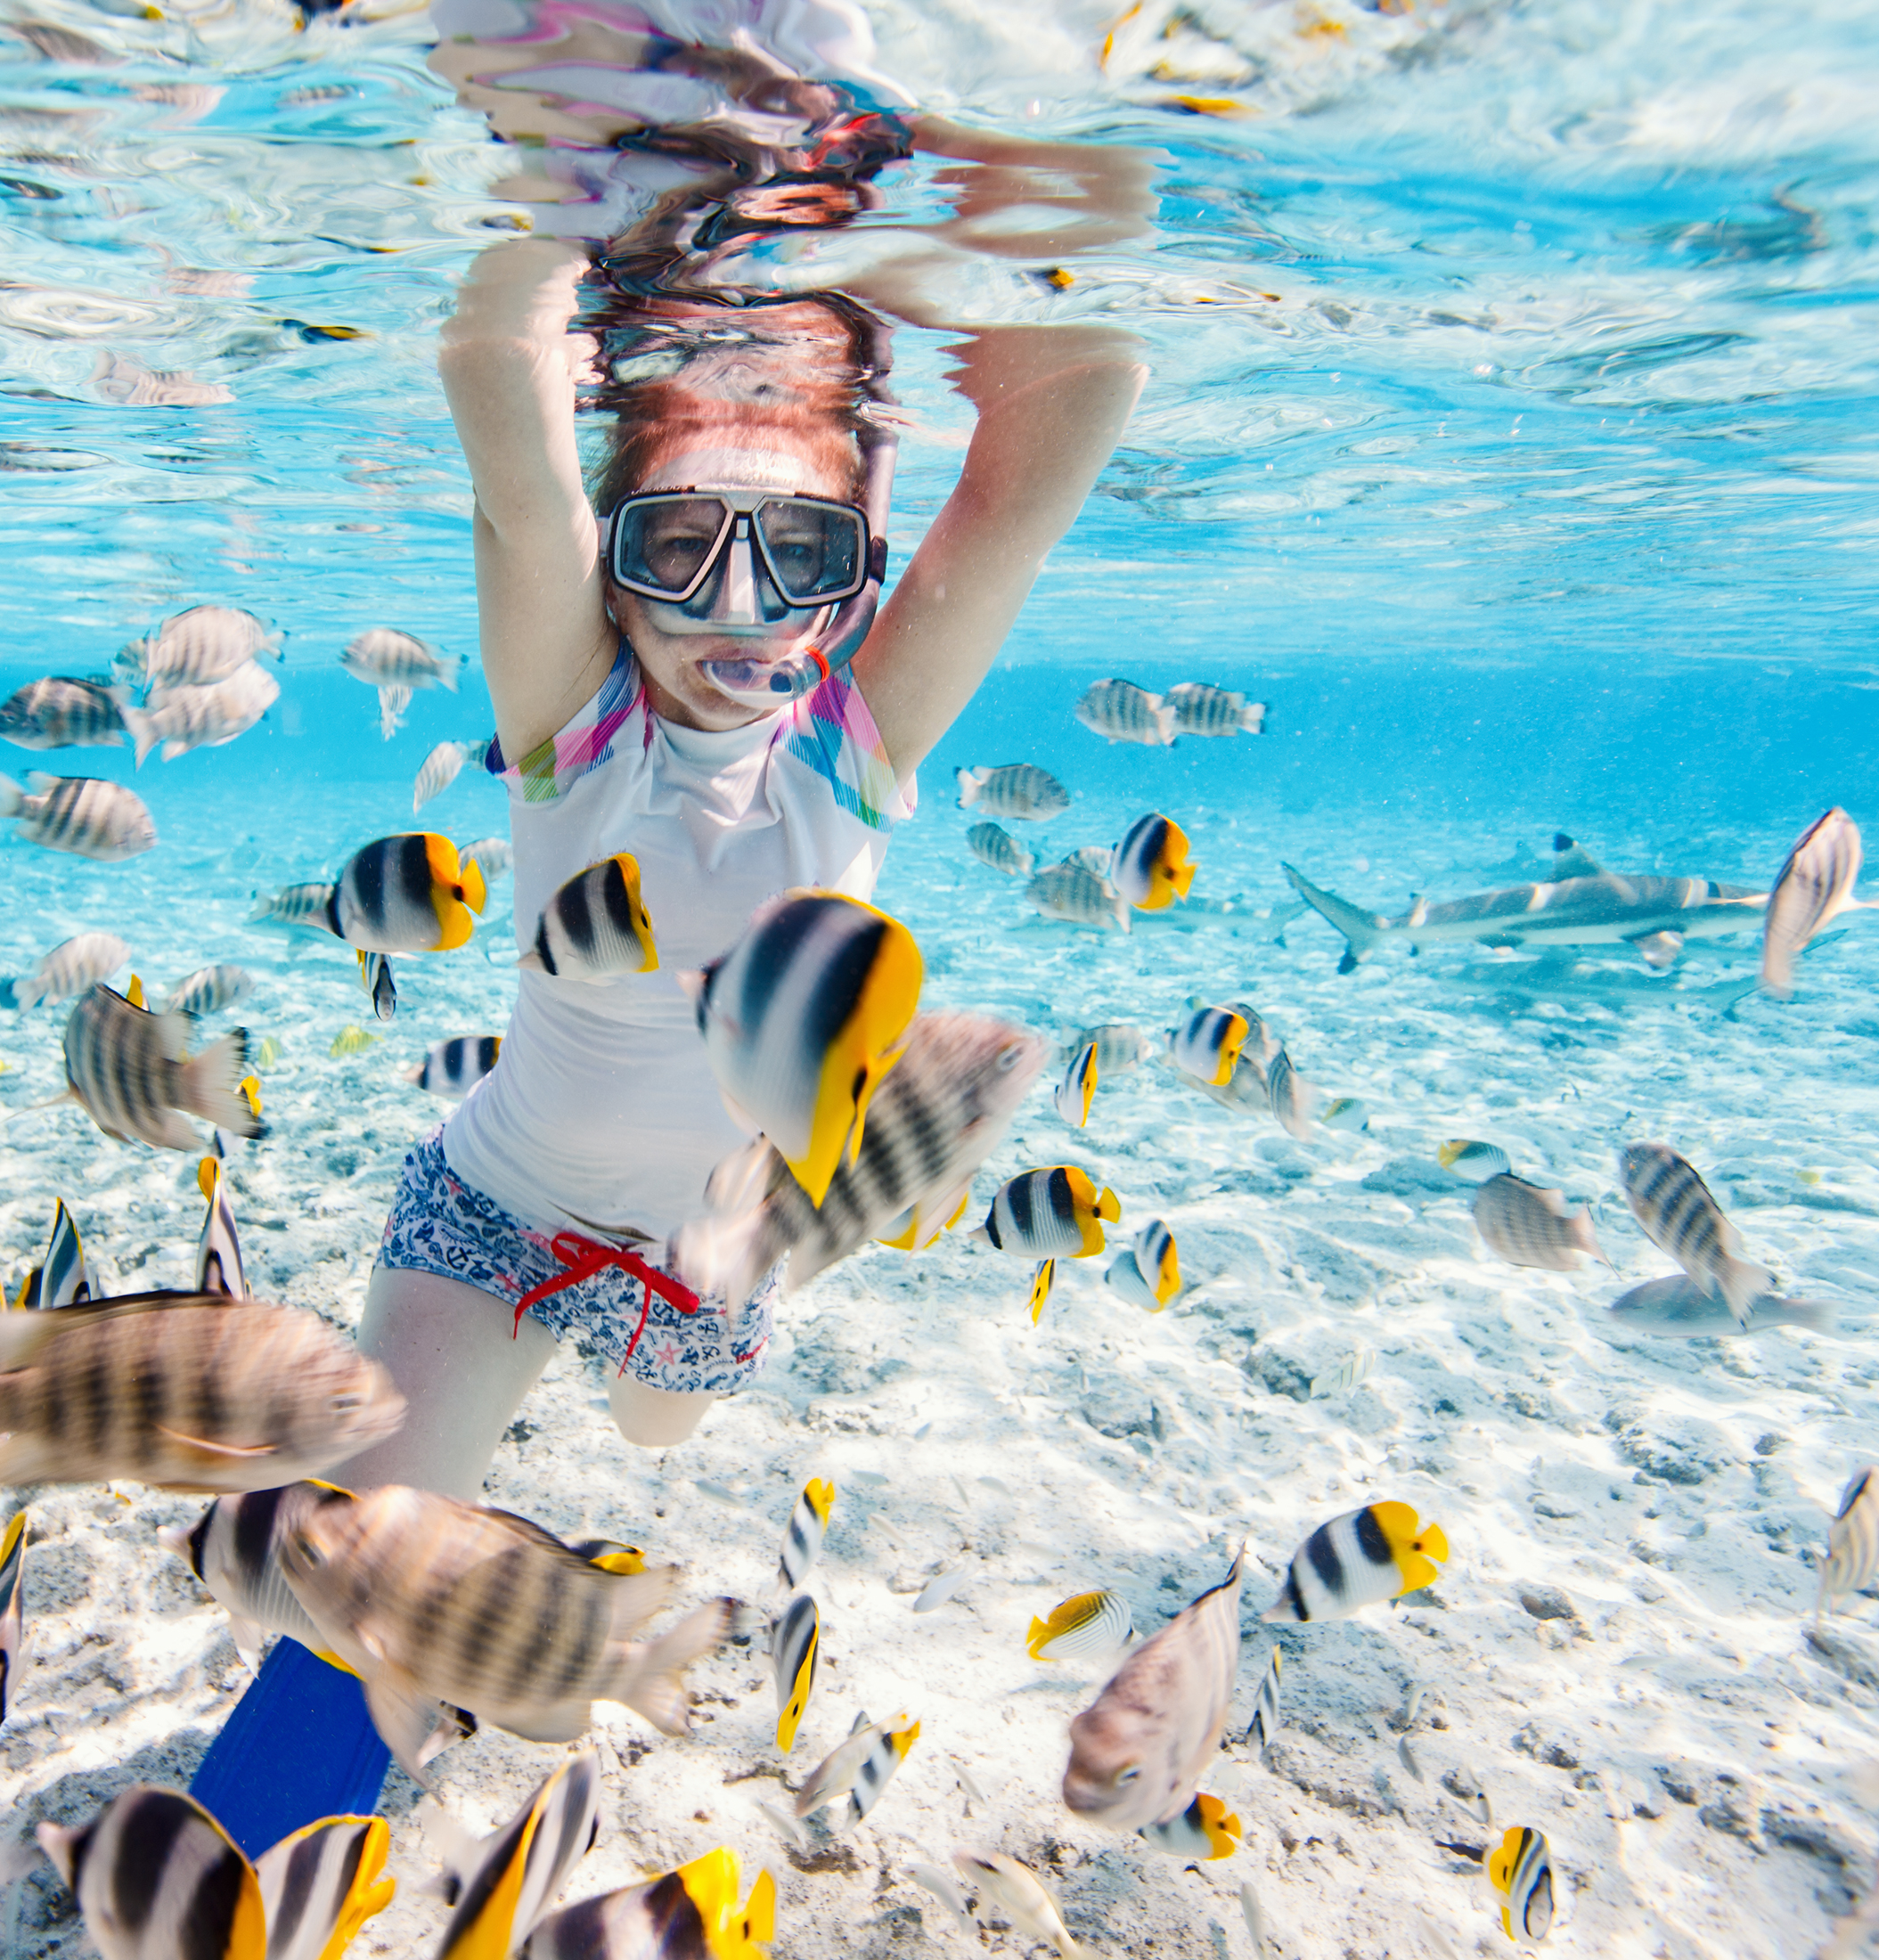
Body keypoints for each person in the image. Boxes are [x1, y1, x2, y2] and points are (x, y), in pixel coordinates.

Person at [191, 0, 1148, 1849]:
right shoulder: (572, 724)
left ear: (860, 568)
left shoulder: (855, 747)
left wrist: (930, 193)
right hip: (484, 1210)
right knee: (355, 1584)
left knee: (644, 1440)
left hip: (700, 1268)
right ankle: (248, 1862)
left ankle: (519, 1612)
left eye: (798, 552)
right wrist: (558, 174)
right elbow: (504, 412)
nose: (740, 605)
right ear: (613, 556)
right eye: (675, 542)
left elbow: (1072, 417)